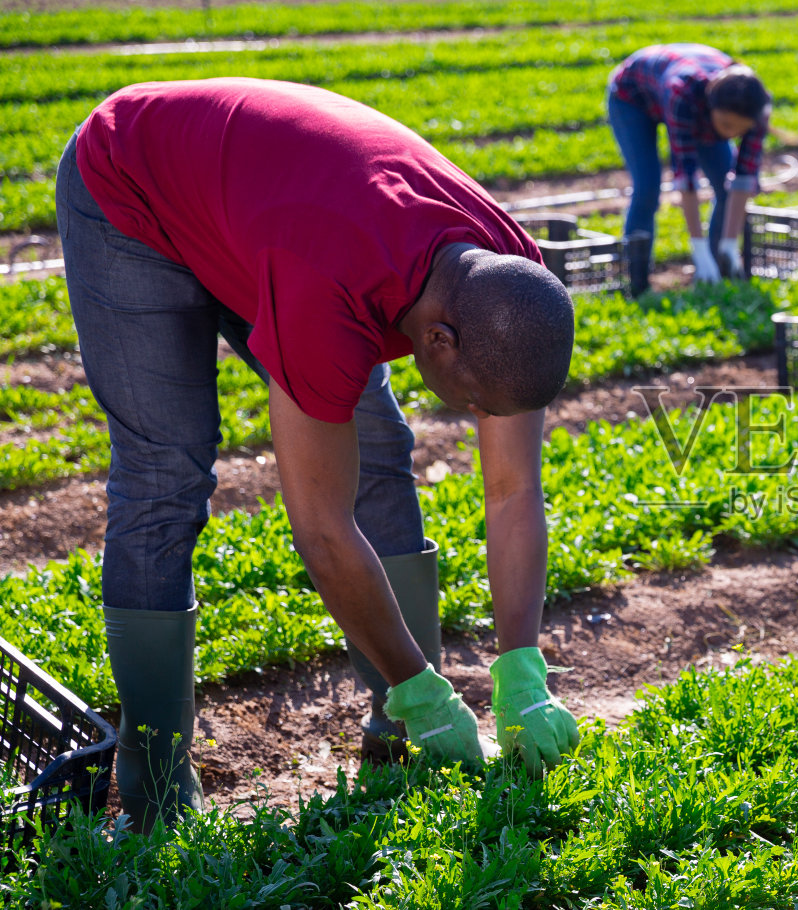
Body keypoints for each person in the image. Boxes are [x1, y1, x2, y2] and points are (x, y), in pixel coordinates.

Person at [57, 77, 580, 832]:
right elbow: (322, 530)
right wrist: (422, 687)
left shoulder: (507, 283)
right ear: (437, 339)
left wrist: (522, 667)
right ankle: (153, 792)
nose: (474, 419)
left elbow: (511, 490)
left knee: (378, 448)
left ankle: (399, 741)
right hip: (132, 190)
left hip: (263, 203)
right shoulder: (328, 287)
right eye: (471, 403)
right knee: (165, 474)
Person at [606, 44, 772, 293]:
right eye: (726, 125)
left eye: (740, 129)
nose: (731, 134)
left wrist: (730, 242)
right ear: (711, 107)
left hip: (684, 98)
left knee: (724, 186)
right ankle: (635, 279)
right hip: (632, 96)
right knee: (647, 187)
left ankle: (718, 267)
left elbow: (743, 178)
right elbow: (686, 176)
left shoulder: (757, 108)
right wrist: (698, 247)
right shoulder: (683, 93)